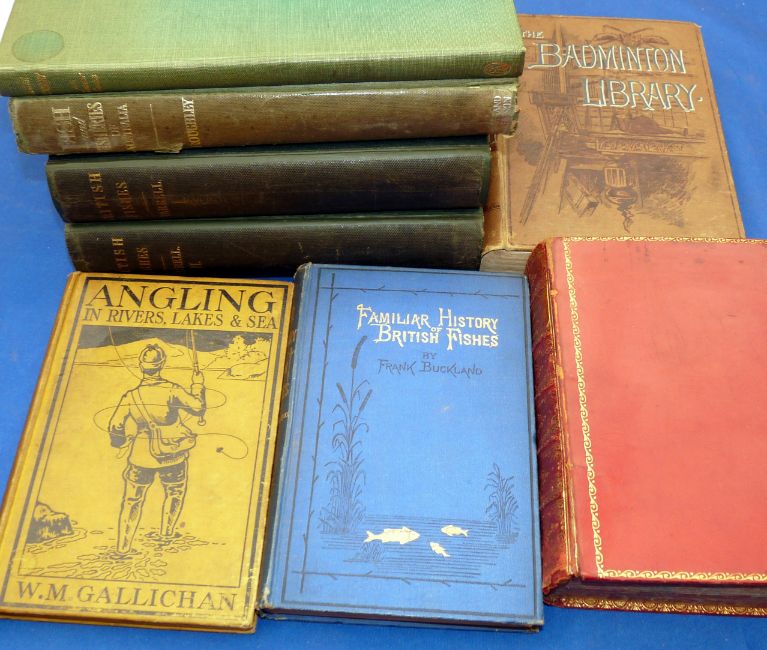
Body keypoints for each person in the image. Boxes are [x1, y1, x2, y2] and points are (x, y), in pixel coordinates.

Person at [107, 343, 205, 555]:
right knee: (174, 492)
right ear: (162, 364)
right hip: (173, 455)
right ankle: (166, 533)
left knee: (132, 500)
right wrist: (198, 386)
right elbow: (198, 408)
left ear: (141, 365)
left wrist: (119, 443)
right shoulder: (173, 390)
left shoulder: (130, 396)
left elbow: (115, 425)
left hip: (140, 457)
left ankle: (123, 546)